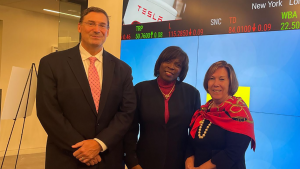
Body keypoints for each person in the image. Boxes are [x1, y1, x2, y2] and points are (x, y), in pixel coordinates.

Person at [36, 7, 136, 169]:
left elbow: (127, 112)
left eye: (102, 25)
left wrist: (99, 144)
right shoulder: (52, 63)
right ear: (79, 27)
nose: (97, 30)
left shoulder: (123, 69)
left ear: (108, 31)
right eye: (91, 23)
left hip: (108, 158)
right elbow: (48, 111)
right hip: (67, 157)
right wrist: (83, 149)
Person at [124, 46, 201, 169]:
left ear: (182, 70)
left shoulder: (192, 94)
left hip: (181, 163)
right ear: (159, 63)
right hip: (144, 162)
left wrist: (191, 161)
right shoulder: (140, 90)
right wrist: (133, 162)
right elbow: (130, 130)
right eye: (168, 61)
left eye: (178, 65)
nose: (171, 66)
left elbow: (195, 134)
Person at [185, 61, 256, 169]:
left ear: (230, 83)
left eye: (221, 79)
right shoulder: (203, 111)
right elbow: (191, 142)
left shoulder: (240, 114)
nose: (216, 83)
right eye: (212, 78)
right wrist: (189, 164)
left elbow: (233, 152)